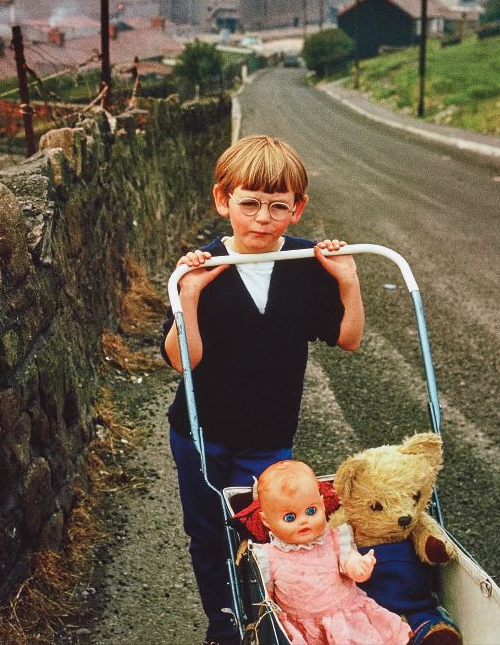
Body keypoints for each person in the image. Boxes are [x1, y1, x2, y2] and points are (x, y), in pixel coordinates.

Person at [161, 134, 365, 645]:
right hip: (201, 430)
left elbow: (349, 339)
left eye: (278, 207)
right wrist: (188, 293)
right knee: (208, 533)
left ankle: (270, 621)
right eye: (248, 204)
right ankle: (224, 622)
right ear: (222, 200)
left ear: (298, 209)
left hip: (268, 435)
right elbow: (182, 359)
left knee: (269, 535)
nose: (261, 219)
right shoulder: (203, 266)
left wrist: (348, 281)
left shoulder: (305, 265)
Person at [250, 460, 411, 645]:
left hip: (346, 619)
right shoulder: (268, 556)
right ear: (266, 521)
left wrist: (358, 567)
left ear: (322, 504)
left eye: (311, 511)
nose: (303, 521)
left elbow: (348, 560)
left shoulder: (334, 537)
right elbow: (266, 594)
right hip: (303, 627)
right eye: (290, 517)